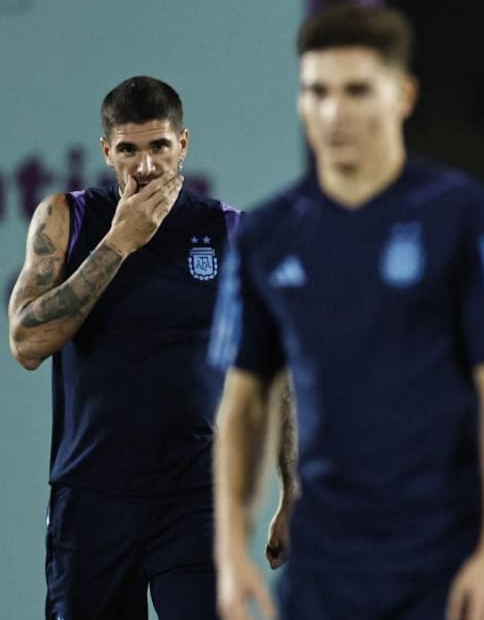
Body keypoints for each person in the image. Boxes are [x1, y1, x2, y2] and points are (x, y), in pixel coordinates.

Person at [209, 3, 484, 620]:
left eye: (357, 90)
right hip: (323, 569)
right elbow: (244, 404)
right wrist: (231, 552)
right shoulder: (267, 236)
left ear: (403, 95)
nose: (334, 111)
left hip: (447, 561)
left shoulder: (469, 218)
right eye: (317, 91)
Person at [5, 76, 285, 620]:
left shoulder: (230, 231)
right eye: (130, 150)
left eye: (159, 147)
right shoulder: (68, 218)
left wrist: (292, 488)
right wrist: (118, 243)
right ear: (108, 151)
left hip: (195, 497)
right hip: (92, 500)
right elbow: (26, 343)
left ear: (183, 143)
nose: (147, 166)